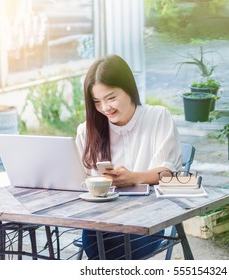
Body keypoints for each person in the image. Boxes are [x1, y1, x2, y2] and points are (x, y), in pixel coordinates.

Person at [75, 54, 182, 259]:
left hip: (146, 220)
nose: (105, 108)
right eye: (97, 101)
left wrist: (134, 178)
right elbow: (79, 180)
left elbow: (170, 172)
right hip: (100, 220)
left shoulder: (158, 117)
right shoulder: (87, 132)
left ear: (129, 89)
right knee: (98, 244)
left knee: (109, 254)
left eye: (111, 98)